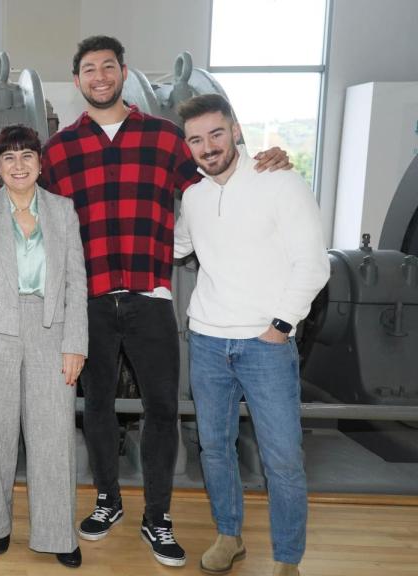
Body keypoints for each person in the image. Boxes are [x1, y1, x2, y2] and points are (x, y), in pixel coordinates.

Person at [41, 35, 291, 568]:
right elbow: (28, 201)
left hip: (151, 297)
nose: (100, 76)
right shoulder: (60, 148)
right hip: (89, 300)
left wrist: (258, 157)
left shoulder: (164, 138)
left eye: (109, 66)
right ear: (79, 79)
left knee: (161, 409)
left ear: (123, 73)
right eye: (89, 69)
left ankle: (158, 517)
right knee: (98, 408)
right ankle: (108, 500)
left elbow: (217, 175)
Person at [174, 94, 327, 576]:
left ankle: (287, 560)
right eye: (196, 139)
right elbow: (173, 245)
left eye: (216, 134)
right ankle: (229, 536)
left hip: (266, 344)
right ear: (188, 146)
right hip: (206, 341)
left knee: (281, 458)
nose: (208, 146)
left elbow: (313, 263)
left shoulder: (280, 181)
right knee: (214, 449)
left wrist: (281, 325)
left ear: (236, 130)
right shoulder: (194, 197)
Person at [0, 125, 87, 568]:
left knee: (53, 437)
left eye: (26, 155)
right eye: (9, 157)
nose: (18, 165)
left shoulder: (63, 211)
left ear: (39, 162)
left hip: (52, 331)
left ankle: (57, 532)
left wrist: (76, 344)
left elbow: (76, 284)